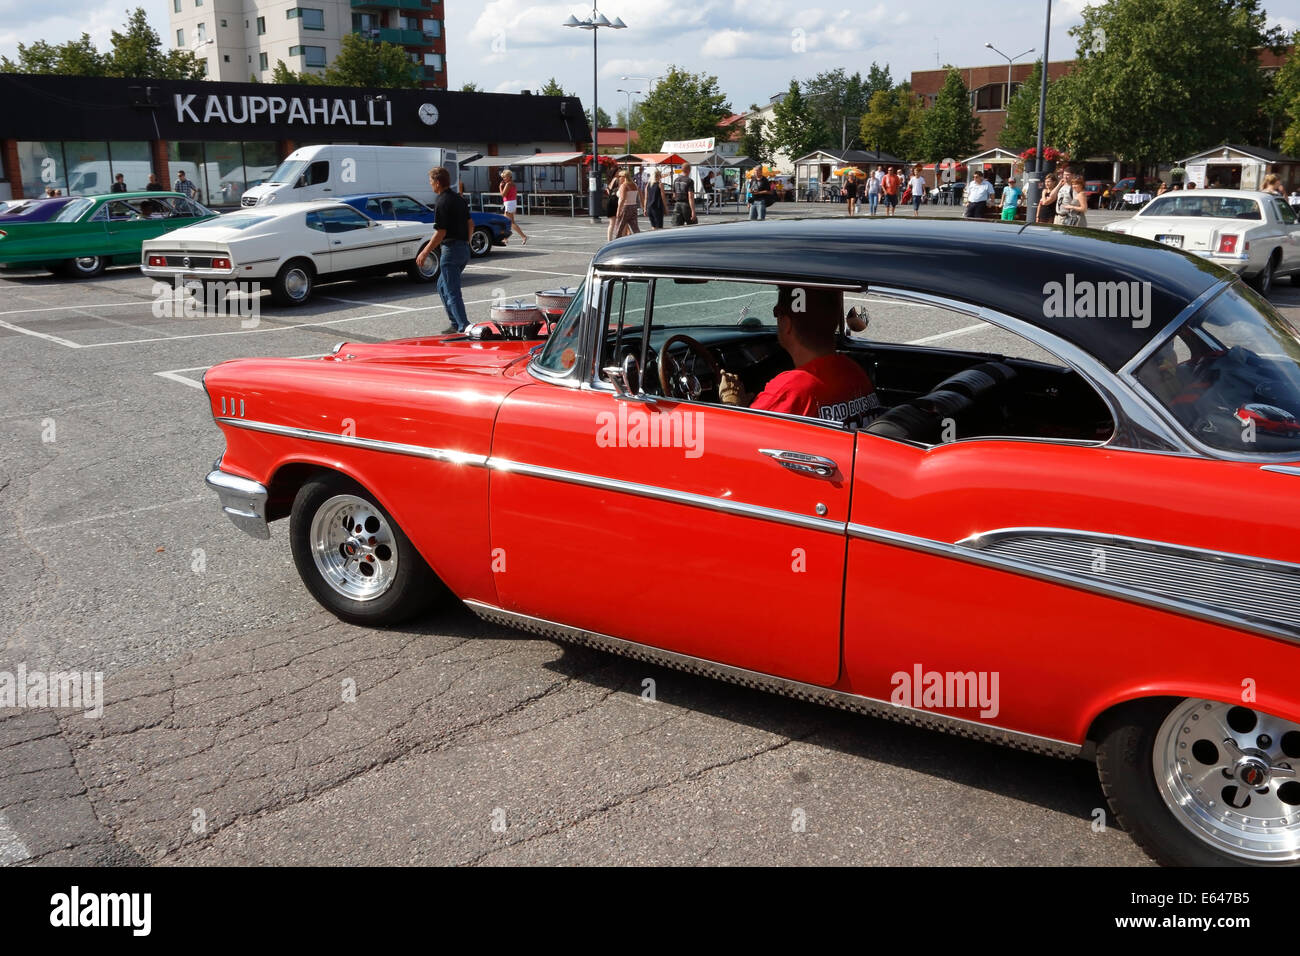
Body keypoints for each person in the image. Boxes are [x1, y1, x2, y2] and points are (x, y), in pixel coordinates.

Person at [718, 285, 880, 428]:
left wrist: (731, 402)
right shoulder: (854, 371)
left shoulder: (790, 391)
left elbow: (737, 441)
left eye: (777, 313)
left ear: (787, 324)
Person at [416, 166, 473, 333]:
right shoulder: (459, 199)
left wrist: (425, 251)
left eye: (431, 182)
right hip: (463, 249)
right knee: (442, 286)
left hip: (451, 250)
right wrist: (466, 242)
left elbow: (441, 232)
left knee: (452, 290)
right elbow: (471, 224)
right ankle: (455, 322)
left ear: (438, 182)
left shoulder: (441, 202)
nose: (430, 185)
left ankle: (463, 326)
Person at [498, 169, 527, 245]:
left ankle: (523, 236)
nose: (503, 179)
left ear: (509, 177)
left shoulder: (508, 184)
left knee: (510, 222)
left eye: (505, 177)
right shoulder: (512, 184)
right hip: (511, 203)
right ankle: (505, 238)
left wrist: (500, 187)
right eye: (503, 177)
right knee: (506, 222)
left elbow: (503, 195)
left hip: (509, 203)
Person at [614, 170, 640, 237]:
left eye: (620, 176)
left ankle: (616, 242)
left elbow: (622, 199)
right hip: (634, 207)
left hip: (625, 207)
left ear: (624, 177)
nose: (619, 178)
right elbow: (639, 195)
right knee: (635, 227)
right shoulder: (635, 185)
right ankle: (639, 240)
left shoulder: (624, 185)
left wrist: (618, 211)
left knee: (619, 227)